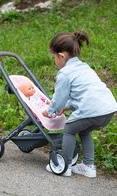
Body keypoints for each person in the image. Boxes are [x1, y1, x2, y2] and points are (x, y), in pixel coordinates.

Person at [42, 31, 117, 178]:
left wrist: (50, 111)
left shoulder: (65, 73)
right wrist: (67, 106)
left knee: (69, 129)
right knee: (84, 130)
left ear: (61, 56)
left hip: (93, 110)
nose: (54, 61)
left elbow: (58, 99)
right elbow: (84, 93)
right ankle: (88, 166)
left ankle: (65, 165)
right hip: (108, 110)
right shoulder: (84, 67)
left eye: (54, 57)